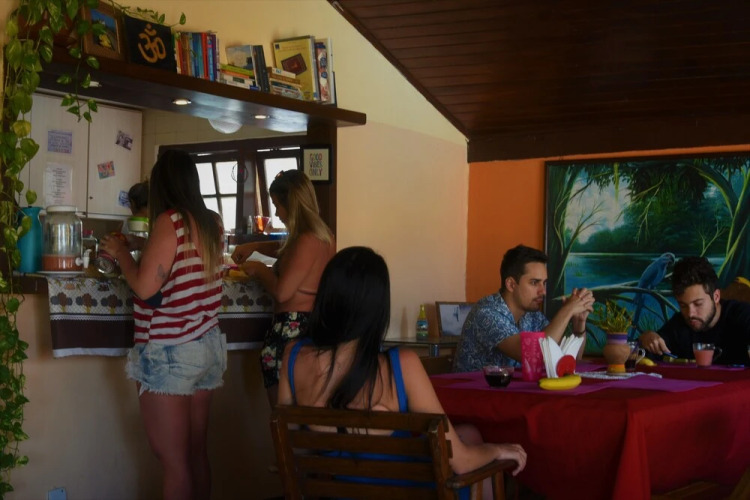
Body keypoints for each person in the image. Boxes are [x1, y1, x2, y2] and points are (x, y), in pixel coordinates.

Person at [278, 246, 527, 494]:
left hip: (340, 492)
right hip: (412, 493)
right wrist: (498, 450)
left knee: (468, 433)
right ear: (378, 307)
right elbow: (462, 463)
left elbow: (294, 445)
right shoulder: (402, 364)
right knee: (479, 462)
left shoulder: (293, 356)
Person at [100, 150, 226, 500]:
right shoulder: (212, 222)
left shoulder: (169, 221)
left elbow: (144, 287)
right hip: (207, 345)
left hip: (171, 349)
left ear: (161, 186)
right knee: (195, 453)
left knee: (173, 461)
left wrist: (121, 255)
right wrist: (141, 244)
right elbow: (181, 259)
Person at [231, 169, 335, 406]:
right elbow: (286, 249)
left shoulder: (307, 240)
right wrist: (254, 246)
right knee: (304, 412)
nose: (276, 213)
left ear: (293, 205)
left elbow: (283, 292)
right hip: (312, 328)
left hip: (291, 331)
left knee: (283, 415)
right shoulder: (322, 236)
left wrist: (259, 269)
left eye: (278, 205)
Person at [454, 244, 595, 372]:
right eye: (534, 283)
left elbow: (568, 359)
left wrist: (578, 325)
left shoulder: (531, 315)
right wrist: (567, 310)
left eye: (544, 283)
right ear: (511, 284)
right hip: (471, 391)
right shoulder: (487, 313)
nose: (543, 291)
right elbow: (535, 355)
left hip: (510, 390)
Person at [639, 256, 750, 365]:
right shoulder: (679, 324)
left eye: (698, 304)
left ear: (716, 297)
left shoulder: (743, 316)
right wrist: (646, 339)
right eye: (683, 305)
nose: (690, 314)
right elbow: (640, 353)